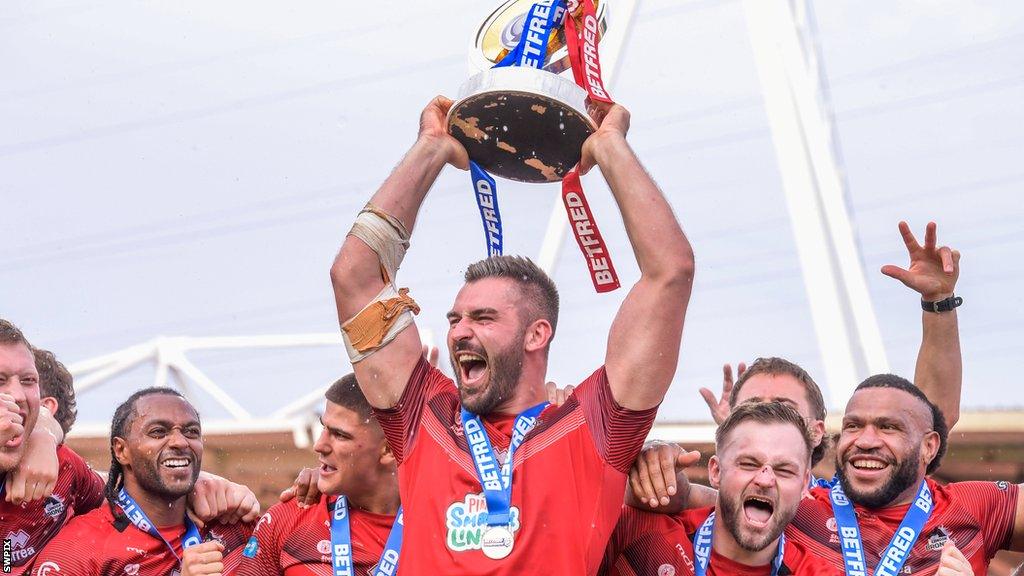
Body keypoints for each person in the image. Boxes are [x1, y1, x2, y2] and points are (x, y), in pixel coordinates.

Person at [329, 96, 694, 573]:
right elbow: (354, 277)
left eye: (482, 319)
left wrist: (610, 148)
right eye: (455, 318)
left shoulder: (594, 428)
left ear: (537, 334)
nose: (459, 331)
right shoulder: (422, 416)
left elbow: (670, 272)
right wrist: (430, 148)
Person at [630, 221, 964, 509]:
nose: (767, 417)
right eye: (752, 408)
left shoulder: (848, 501)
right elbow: (669, 494)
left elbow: (928, 416)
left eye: (784, 408)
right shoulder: (728, 506)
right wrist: (650, 457)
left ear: (818, 431)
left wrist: (938, 304)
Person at [786, 374, 1023, 576]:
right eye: (853, 425)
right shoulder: (795, 511)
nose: (866, 441)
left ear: (929, 447)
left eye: (888, 427)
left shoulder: (971, 506)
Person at [32, 387, 255, 576]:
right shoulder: (76, 549)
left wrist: (292, 488)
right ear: (121, 450)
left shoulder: (233, 525)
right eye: (158, 432)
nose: (180, 441)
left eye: (191, 432)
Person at [602, 401, 839, 575]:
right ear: (715, 471)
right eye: (748, 464)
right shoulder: (639, 533)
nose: (765, 480)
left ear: (804, 484)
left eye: (785, 470)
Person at [234, 373, 402, 575]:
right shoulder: (290, 517)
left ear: (388, 450)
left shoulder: (440, 522)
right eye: (324, 427)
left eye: (339, 435)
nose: (319, 445)